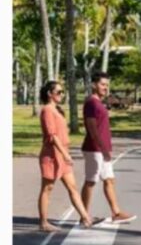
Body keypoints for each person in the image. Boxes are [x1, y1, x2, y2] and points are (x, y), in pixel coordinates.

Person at [38, 81, 97, 232]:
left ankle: (86, 218)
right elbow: (52, 136)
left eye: (62, 92)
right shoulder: (47, 110)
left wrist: (65, 153)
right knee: (47, 189)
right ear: (49, 94)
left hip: (62, 154)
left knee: (73, 187)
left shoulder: (57, 110)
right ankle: (44, 223)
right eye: (58, 92)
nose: (61, 94)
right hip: (51, 156)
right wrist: (65, 155)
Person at [81, 72, 136, 224]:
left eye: (107, 85)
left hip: (101, 149)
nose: (105, 88)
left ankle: (116, 213)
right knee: (91, 182)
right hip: (94, 149)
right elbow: (92, 128)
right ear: (94, 85)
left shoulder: (99, 102)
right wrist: (103, 148)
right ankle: (84, 216)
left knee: (109, 180)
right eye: (102, 84)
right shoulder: (91, 103)